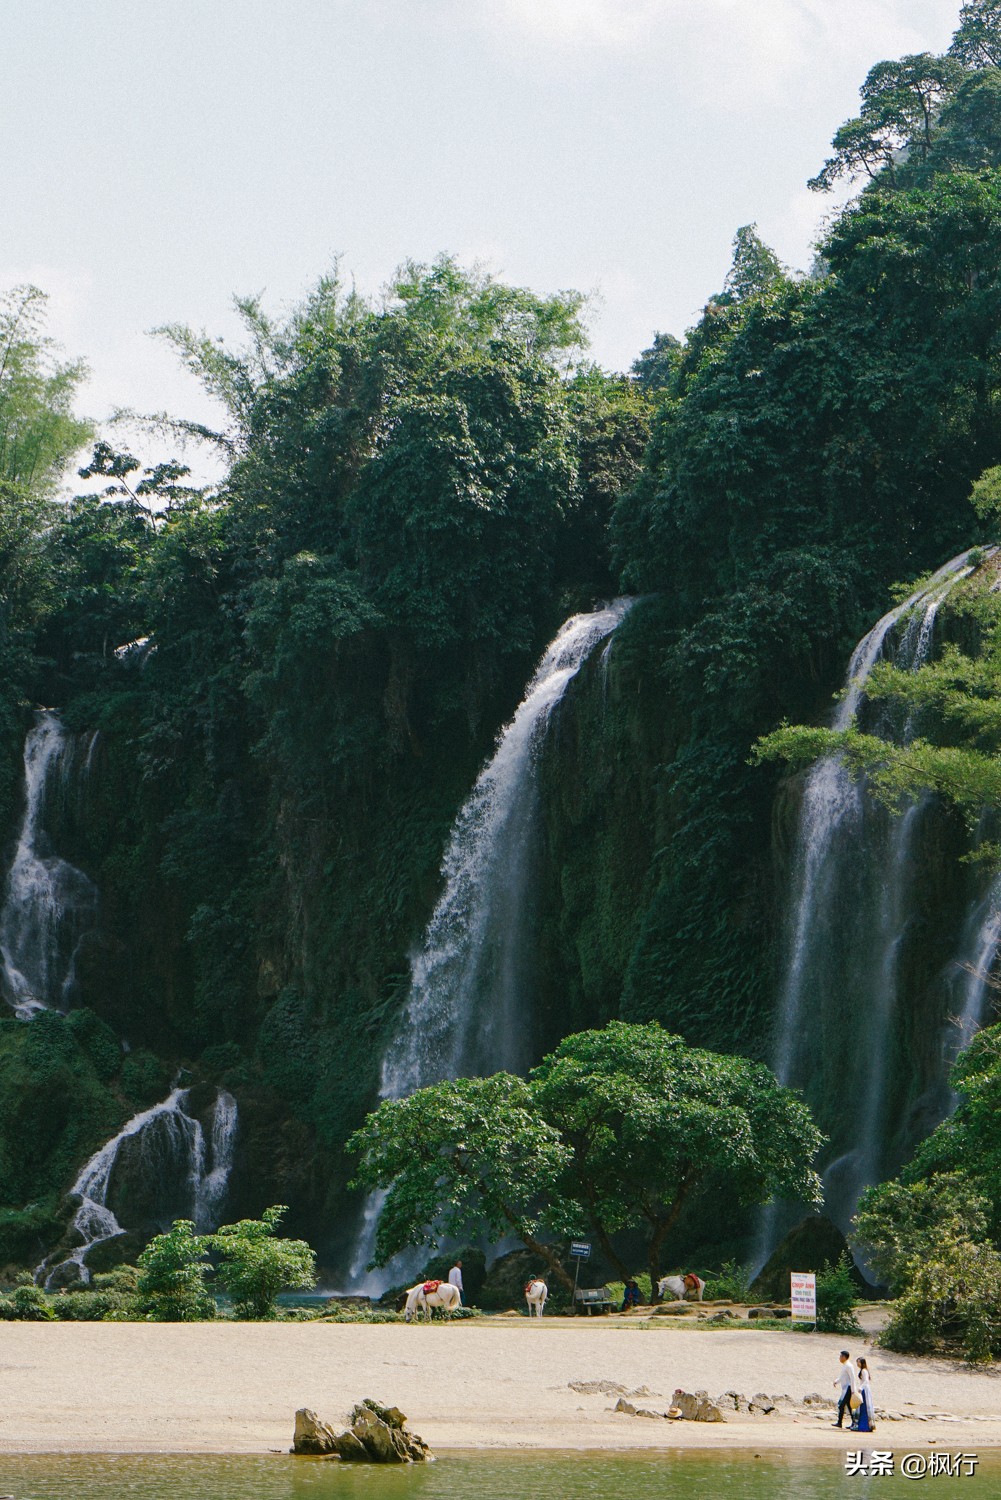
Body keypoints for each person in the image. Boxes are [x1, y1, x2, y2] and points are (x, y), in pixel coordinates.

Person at [832, 1350, 857, 1428]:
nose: (839, 1358)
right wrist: (837, 1381)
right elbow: (842, 1377)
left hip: (849, 1388)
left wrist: (853, 1390)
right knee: (848, 1406)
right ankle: (853, 1422)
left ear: (844, 1357)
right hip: (845, 1388)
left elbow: (852, 1378)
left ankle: (840, 1422)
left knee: (841, 1405)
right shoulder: (845, 1365)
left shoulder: (849, 1366)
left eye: (840, 1356)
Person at [855, 1356, 874, 1432]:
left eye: (858, 1362)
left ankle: (864, 1426)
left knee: (864, 1407)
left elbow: (866, 1381)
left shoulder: (864, 1371)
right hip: (864, 1389)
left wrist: (860, 1388)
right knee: (863, 1407)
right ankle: (864, 1425)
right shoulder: (863, 1370)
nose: (857, 1364)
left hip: (864, 1390)